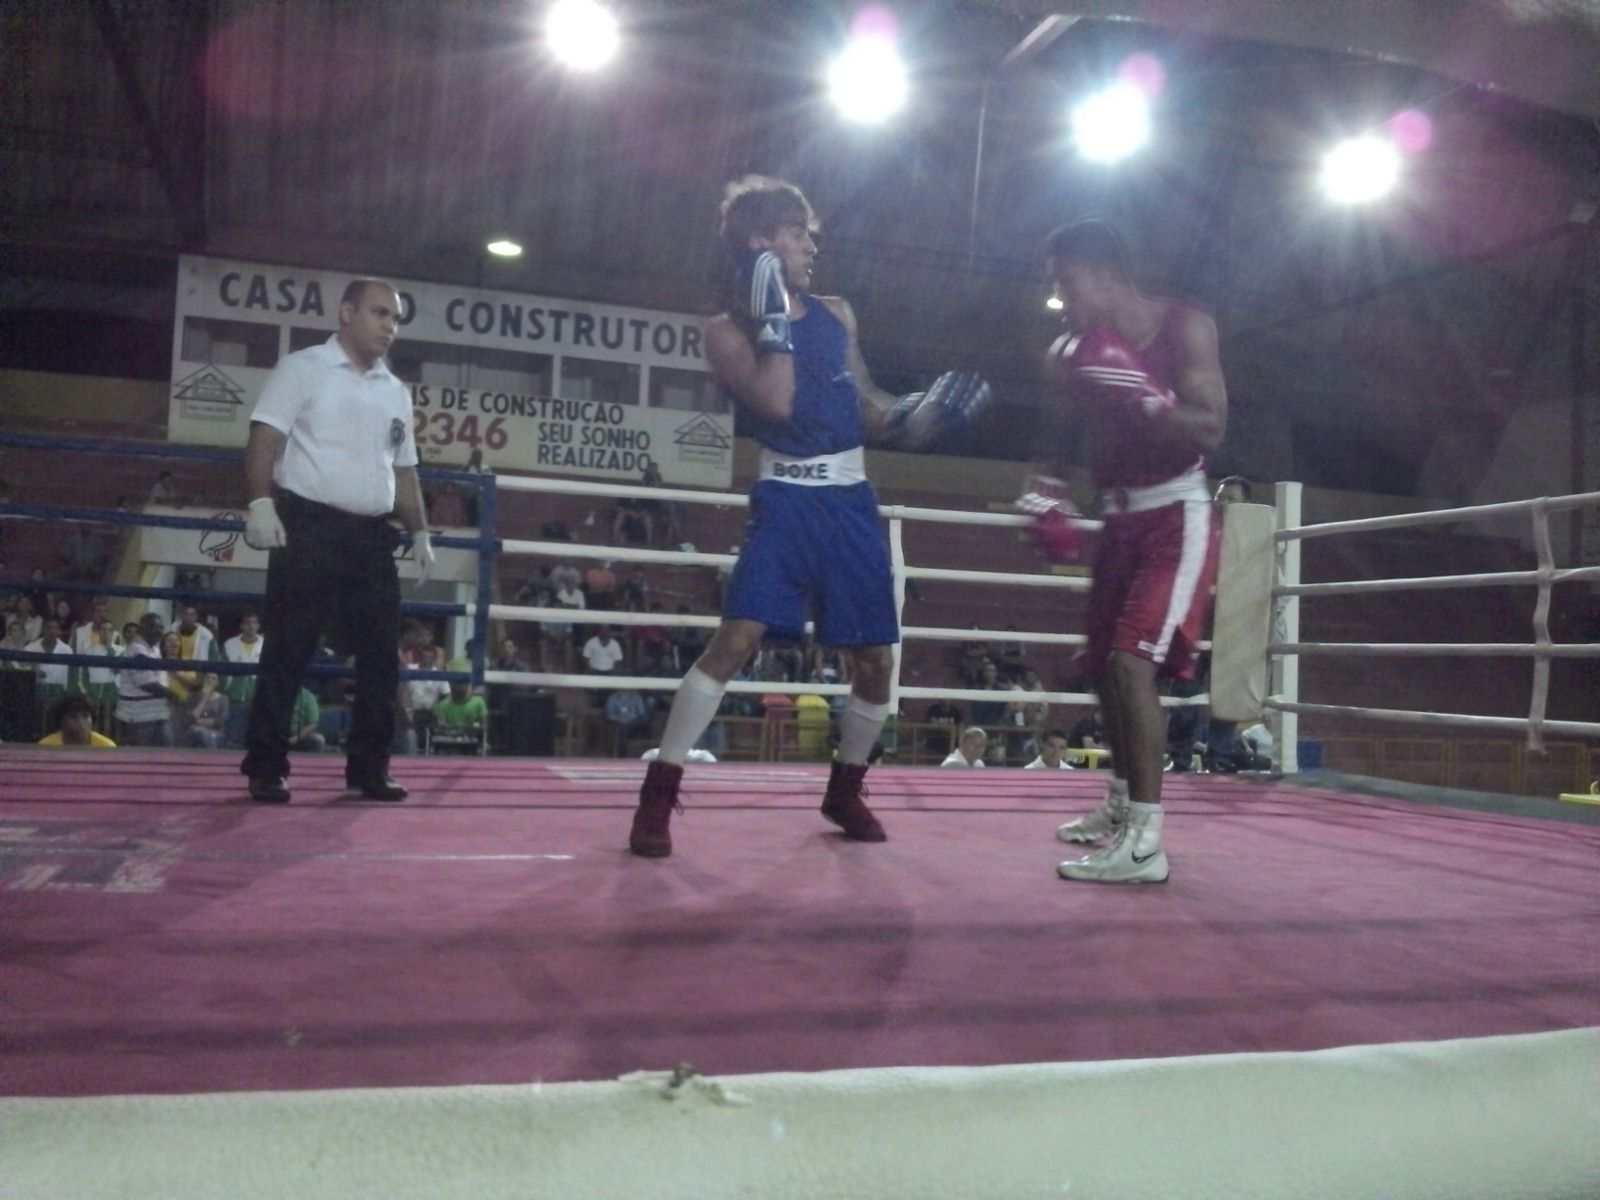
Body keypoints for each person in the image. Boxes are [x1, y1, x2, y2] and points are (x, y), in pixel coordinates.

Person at [628, 176, 990, 858]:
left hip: (848, 500)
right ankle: (659, 790)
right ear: (761, 242)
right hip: (785, 500)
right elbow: (776, 402)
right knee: (735, 641)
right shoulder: (725, 331)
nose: (813, 245)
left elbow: (867, 404)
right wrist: (772, 319)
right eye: (798, 234)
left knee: (876, 662)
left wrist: (919, 415)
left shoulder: (837, 314)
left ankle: (845, 789)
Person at [1029, 219, 1227, 884]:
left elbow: (1211, 429)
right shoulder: (1070, 353)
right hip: (1118, 521)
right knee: (1102, 668)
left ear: (1107, 276)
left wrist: (1143, 395)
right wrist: (1046, 488)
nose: (1060, 299)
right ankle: (1120, 803)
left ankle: (1145, 842)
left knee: (1130, 661)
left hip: (1175, 514)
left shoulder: (1185, 326)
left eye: (1067, 284)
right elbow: (1058, 435)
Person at [238, 278, 432, 803]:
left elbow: (404, 469)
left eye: (395, 318)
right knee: (288, 648)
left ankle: (370, 768)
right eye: (379, 313)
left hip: (372, 537)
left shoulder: (394, 390)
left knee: (381, 659)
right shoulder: (302, 368)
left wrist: (419, 531)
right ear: (346, 312)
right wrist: (259, 503)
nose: (390, 326)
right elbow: (263, 439)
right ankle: (266, 765)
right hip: (309, 528)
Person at [115, 612, 176, 747]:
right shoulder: (137, 650)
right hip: (138, 717)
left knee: (165, 755)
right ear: (143, 628)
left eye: (161, 627)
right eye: (154, 627)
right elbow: (146, 683)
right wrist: (174, 696)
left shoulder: (154, 649)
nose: (159, 631)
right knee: (141, 756)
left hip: (155, 714)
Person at [38, 693, 116, 747]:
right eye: (73, 716)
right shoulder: (46, 746)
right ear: (61, 721)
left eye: (85, 716)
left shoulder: (106, 746)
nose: (80, 722)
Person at [187, 672, 229, 749]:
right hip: (194, 731)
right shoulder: (193, 696)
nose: (210, 680)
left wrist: (199, 722)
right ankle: (214, 755)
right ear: (203, 680)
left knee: (204, 735)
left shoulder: (223, 699)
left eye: (213, 679)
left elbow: (220, 721)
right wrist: (204, 697)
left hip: (215, 732)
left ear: (217, 683)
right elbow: (192, 717)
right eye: (207, 677)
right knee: (200, 733)